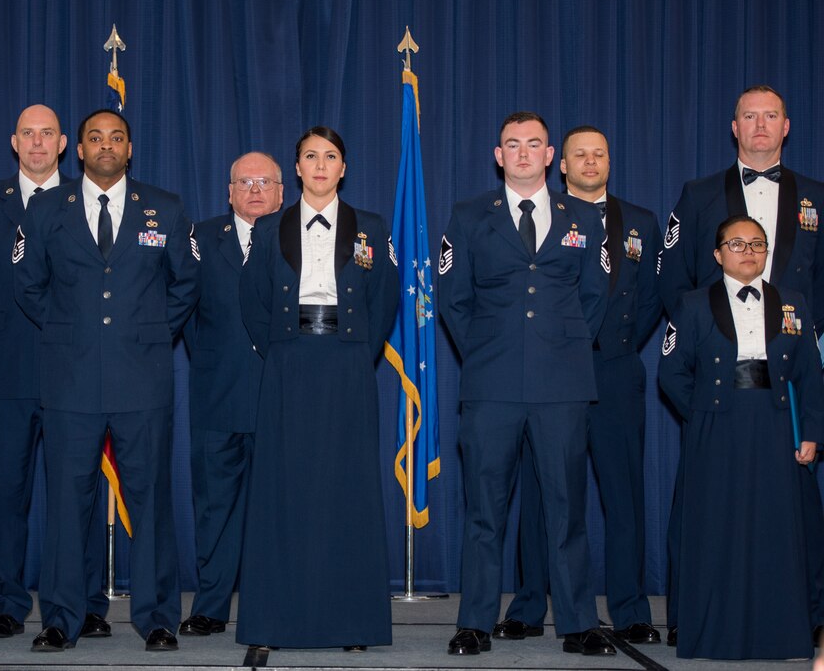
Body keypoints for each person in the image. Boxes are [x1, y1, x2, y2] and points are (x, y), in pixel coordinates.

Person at [15, 109, 198, 652]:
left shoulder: (164, 208)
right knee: (67, 504)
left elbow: (185, 283)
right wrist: (72, 334)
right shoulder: (47, 208)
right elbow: (28, 284)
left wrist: (149, 333)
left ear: (130, 148)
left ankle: (158, 617)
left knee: (150, 503)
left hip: (142, 380)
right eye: (95, 138)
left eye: (116, 138)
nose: (106, 146)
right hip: (70, 381)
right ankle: (61, 618)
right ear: (79, 150)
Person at [438, 112, 613, 656]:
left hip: (561, 385)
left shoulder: (584, 216)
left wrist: (557, 351)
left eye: (532, 144)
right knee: (484, 508)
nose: (521, 152)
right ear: (498, 155)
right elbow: (454, 299)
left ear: (548, 155)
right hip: (491, 385)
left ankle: (579, 623)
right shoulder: (469, 217)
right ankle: (474, 622)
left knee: (567, 507)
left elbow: (594, 298)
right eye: (511, 144)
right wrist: (492, 354)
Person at [659, 85, 824, 646]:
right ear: (734, 127)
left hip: (792, 373)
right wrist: (703, 370)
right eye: (748, 116)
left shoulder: (817, 197)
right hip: (718, 387)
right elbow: (675, 279)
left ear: (786, 126)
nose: (759, 125)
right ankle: (695, 612)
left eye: (770, 116)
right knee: (706, 508)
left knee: (797, 506)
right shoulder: (699, 193)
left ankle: (804, 612)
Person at [237, 126, 398, 651]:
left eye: (331, 156)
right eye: (311, 156)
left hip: (348, 364)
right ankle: (276, 623)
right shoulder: (268, 229)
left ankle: (352, 623)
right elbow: (252, 302)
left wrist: (358, 352)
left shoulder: (371, 227)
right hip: (288, 364)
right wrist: (281, 349)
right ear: (298, 167)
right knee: (283, 492)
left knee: (346, 492)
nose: (321, 165)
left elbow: (386, 300)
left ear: (343, 168)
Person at [501, 126, 662, 644]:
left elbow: (654, 298)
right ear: (560, 165)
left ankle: (632, 609)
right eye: (579, 155)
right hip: (548, 374)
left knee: (624, 494)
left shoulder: (640, 222)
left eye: (600, 154)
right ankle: (529, 605)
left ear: (610, 162)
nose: (590, 162)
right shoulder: (542, 215)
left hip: (614, 369)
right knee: (541, 496)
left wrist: (611, 346)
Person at [0, 104, 109, 641]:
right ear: (14, 141)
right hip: (5, 373)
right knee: (5, 493)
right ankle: (4, 602)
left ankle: (87, 602)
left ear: (65, 143)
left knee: (79, 495)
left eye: (48, 133)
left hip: (76, 376)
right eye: (28, 133)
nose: (38, 142)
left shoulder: (87, 198)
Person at [179, 152, 283, 638]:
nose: (256, 191)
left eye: (265, 182)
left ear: (283, 191)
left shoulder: (302, 238)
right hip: (217, 399)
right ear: (229, 192)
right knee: (214, 509)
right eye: (245, 182)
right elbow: (186, 316)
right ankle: (211, 606)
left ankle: (276, 604)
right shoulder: (200, 239)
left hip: (282, 400)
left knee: (281, 511)